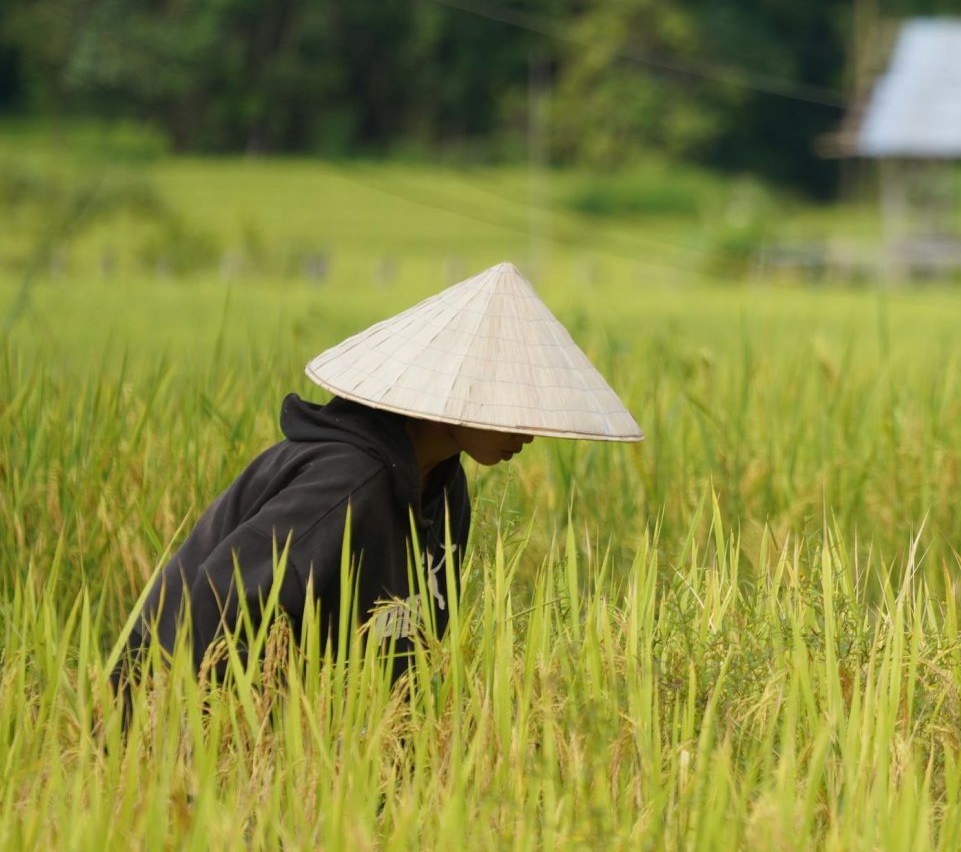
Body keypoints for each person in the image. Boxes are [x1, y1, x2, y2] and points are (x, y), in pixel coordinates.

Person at [114, 261, 640, 694]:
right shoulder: (346, 483)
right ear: (451, 392)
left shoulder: (445, 489)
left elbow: (412, 648)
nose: (527, 429)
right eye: (511, 402)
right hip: (179, 724)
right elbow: (212, 614)